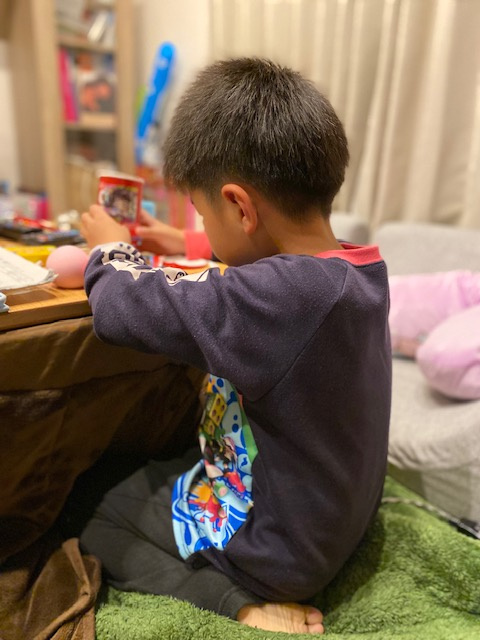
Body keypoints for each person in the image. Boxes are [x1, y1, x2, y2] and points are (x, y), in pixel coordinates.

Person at [80, 57, 391, 635]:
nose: (204, 228)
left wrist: (109, 249)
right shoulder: (355, 273)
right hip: (329, 519)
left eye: (203, 214)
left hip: (281, 553)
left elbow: (125, 308)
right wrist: (184, 237)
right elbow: (259, 254)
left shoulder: (283, 296)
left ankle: (238, 604)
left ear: (241, 207)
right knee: (157, 466)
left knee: (100, 518)